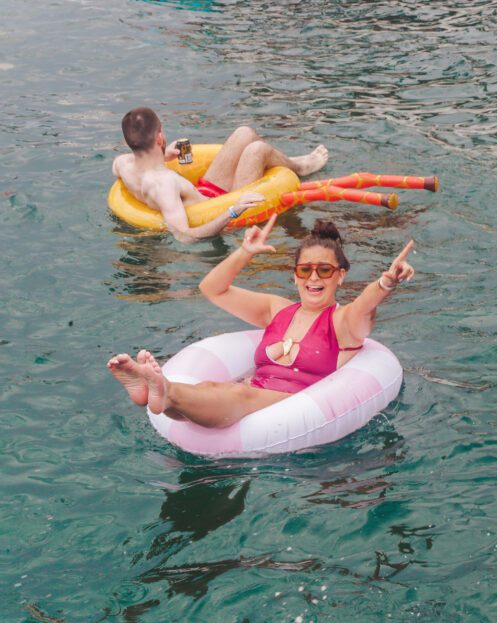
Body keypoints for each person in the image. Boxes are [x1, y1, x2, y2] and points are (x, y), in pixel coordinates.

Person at [107, 217, 414, 428]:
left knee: (240, 393)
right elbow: (212, 289)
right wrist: (244, 252)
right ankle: (153, 392)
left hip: (290, 408)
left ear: (341, 275)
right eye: (305, 270)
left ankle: (164, 390)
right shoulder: (277, 310)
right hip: (249, 393)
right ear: (294, 275)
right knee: (214, 386)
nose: (314, 278)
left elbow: (364, 306)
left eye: (325, 270)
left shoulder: (342, 322)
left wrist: (386, 283)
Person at [112, 107, 329, 243]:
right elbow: (184, 236)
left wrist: (165, 156)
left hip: (204, 193)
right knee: (257, 150)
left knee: (245, 133)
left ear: (128, 142)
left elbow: (137, 164)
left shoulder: (122, 164)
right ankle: (298, 169)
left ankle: (294, 164)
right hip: (225, 205)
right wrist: (233, 211)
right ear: (159, 138)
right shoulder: (163, 184)